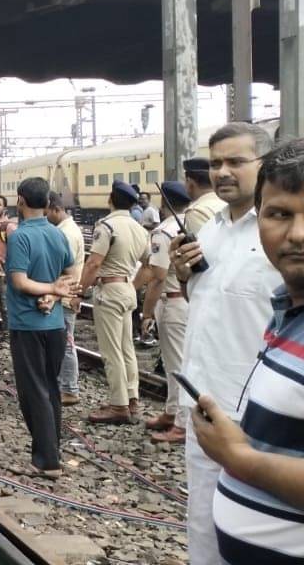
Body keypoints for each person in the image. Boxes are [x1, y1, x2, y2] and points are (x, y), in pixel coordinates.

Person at [190, 138, 304, 564]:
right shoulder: (287, 312)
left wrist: (239, 458)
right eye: (279, 214)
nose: (297, 234)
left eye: (235, 161)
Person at [172, 122, 281, 564]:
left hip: (260, 411)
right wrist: (182, 276)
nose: (222, 172)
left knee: (261, 527)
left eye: (236, 162)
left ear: (265, 165)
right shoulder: (211, 230)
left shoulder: (279, 234)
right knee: (203, 521)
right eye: (216, 163)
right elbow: (205, 302)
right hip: (204, 402)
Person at [5, 178, 77, 477]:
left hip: (27, 324)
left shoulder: (20, 237)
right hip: (55, 324)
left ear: (20, 200)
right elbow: (70, 274)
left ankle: (46, 461)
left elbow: (19, 281)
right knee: (50, 388)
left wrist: (49, 290)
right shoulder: (57, 234)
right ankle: (51, 451)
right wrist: (52, 294)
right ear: (48, 203)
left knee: (33, 391)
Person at [76, 180, 149, 424]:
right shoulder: (139, 228)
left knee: (111, 351)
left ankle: (118, 405)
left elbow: (94, 263)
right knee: (127, 347)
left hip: (109, 289)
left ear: (110, 199)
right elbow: (149, 265)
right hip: (128, 288)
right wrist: (133, 285)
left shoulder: (107, 226)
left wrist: (79, 292)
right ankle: (132, 398)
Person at [137, 181, 192, 444]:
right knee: (180, 361)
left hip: (172, 301)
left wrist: (146, 312)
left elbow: (158, 277)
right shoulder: (195, 222)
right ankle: (171, 412)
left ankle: (181, 424)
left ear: (163, 201)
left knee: (176, 364)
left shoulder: (165, 231)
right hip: (190, 299)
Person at [45, 193, 85, 406]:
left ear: (54, 209)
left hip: (65, 295)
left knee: (66, 342)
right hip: (65, 293)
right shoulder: (68, 229)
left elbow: (63, 267)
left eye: (47, 212)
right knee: (64, 340)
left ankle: (70, 388)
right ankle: (65, 385)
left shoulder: (66, 234)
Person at [0, 194, 19, 327]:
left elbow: (17, 251)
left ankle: (10, 329)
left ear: (5, 208)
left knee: (6, 302)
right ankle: (7, 328)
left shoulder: (9, 227)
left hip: (4, 271)